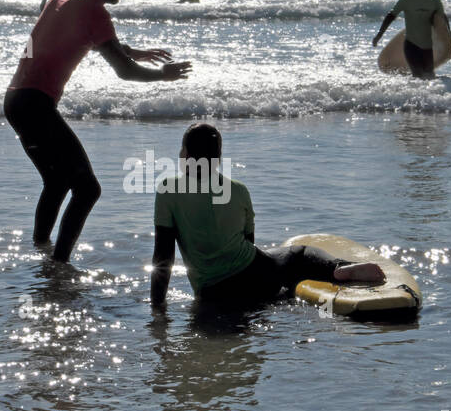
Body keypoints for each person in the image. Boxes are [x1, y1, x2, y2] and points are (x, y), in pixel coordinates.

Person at [5, 0, 192, 263]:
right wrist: (163, 76)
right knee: (88, 189)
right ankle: (58, 265)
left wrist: (134, 51)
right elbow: (124, 71)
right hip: (35, 104)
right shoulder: (95, 11)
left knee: (57, 180)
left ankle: (41, 250)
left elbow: (80, 38)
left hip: (16, 100)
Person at [150, 123, 383, 309]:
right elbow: (248, 242)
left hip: (211, 292)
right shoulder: (238, 190)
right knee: (299, 253)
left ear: (187, 155)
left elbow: (164, 254)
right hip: (257, 279)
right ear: (218, 158)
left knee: (275, 268)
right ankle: (339, 268)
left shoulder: (168, 190)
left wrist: (158, 305)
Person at [372, 0, 447, 80]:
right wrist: (379, 35)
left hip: (428, 47)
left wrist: (448, 46)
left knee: (430, 77)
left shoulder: (435, 2)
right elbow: (391, 16)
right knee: (418, 77)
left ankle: (429, 97)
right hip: (411, 45)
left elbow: (442, 23)